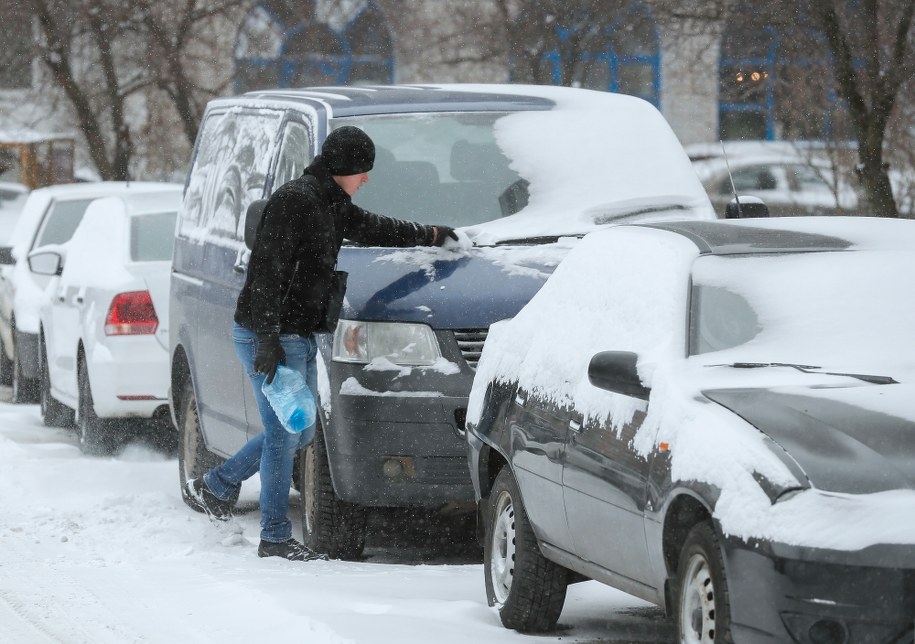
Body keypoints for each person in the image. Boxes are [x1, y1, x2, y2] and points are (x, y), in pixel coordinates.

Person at [185, 126, 458, 561]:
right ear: (342, 167)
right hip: (269, 335)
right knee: (283, 434)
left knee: (302, 428)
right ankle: (273, 536)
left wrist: (428, 234)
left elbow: (373, 228)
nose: (366, 177)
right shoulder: (295, 201)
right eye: (361, 169)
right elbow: (267, 272)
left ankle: (218, 485)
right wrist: (268, 338)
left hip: (296, 334)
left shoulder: (333, 204)